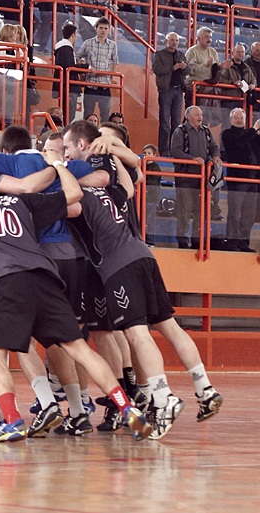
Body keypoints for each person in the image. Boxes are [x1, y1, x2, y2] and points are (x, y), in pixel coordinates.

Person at [0, 129, 153, 443]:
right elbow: (73, 197)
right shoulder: (24, 203)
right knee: (78, 348)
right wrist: (58, 165)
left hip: (5, 281)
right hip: (45, 277)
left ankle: (13, 421)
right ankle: (127, 408)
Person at [63, 119, 224, 439]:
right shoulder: (113, 185)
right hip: (143, 254)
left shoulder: (79, 189)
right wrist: (116, 149)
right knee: (168, 327)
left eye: (67, 147)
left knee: (136, 335)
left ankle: (162, 398)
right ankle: (204, 389)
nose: (65, 153)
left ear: (82, 145)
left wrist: (50, 173)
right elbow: (132, 177)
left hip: (118, 264)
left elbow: (65, 200)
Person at [171, 106, 221, 249]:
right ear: (188, 117)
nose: (200, 117)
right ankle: (182, 240)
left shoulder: (206, 131)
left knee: (201, 210)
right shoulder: (180, 131)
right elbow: (175, 151)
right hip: (185, 177)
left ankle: (197, 240)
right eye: (197, 115)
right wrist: (192, 159)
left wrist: (216, 156)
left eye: (201, 115)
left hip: (203, 177)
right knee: (184, 209)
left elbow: (214, 147)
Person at [220, 108, 260, 252]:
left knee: (249, 214)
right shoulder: (228, 134)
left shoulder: (251, 134)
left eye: (241, 118)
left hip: (253, 180)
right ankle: (232, 242)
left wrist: (256, 133)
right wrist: (254, 129)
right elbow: (237, 145)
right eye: (236, 118)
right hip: (238, 179)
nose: (239, 120)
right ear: (231, 120)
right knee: (235, 213)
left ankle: (244, 242)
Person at [153, 32, 189, 156]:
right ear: (166, 41)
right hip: (166, 90)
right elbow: (157, 69)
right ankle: (164, 150)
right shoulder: (159, 54)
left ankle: (174, 149)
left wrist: (184, 67)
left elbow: (187, 71)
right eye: (172, 40)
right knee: (164, 122)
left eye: (176, 40)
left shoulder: (181, 55)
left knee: (176, 122)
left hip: (178, 90)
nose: (174, 42)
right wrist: (173, 67)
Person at [76, 17, 118, 123]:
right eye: (101, 28)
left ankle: (104, 132)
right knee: (88, 113)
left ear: (109, 30)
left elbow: (115, 61)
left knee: (105, 114)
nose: (103, 30)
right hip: (90, 83)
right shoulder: (88, 43)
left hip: (105, 85)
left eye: (105, 28)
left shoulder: (112, 45)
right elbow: (78, 56)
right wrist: (84, 66)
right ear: (96, 29)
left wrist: (111, 76)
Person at [184, 27, 224, 110]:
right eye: (206, 37)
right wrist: (205, 65)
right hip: (195, 89)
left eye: (210, 37)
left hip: (211, 90)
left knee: (210, 115)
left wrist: (222, 68)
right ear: (198, 38)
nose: (209, 40)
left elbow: (217, 70)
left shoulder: (213, 51)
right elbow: (189, 70)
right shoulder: (192, 51)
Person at [53, 24, 81, 117]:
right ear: (73, 34)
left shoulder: (62, 48)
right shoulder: (66, 48)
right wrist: (86, 67)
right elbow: (70, 67)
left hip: (65, 84)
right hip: (68, 85)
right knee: (69, 114)